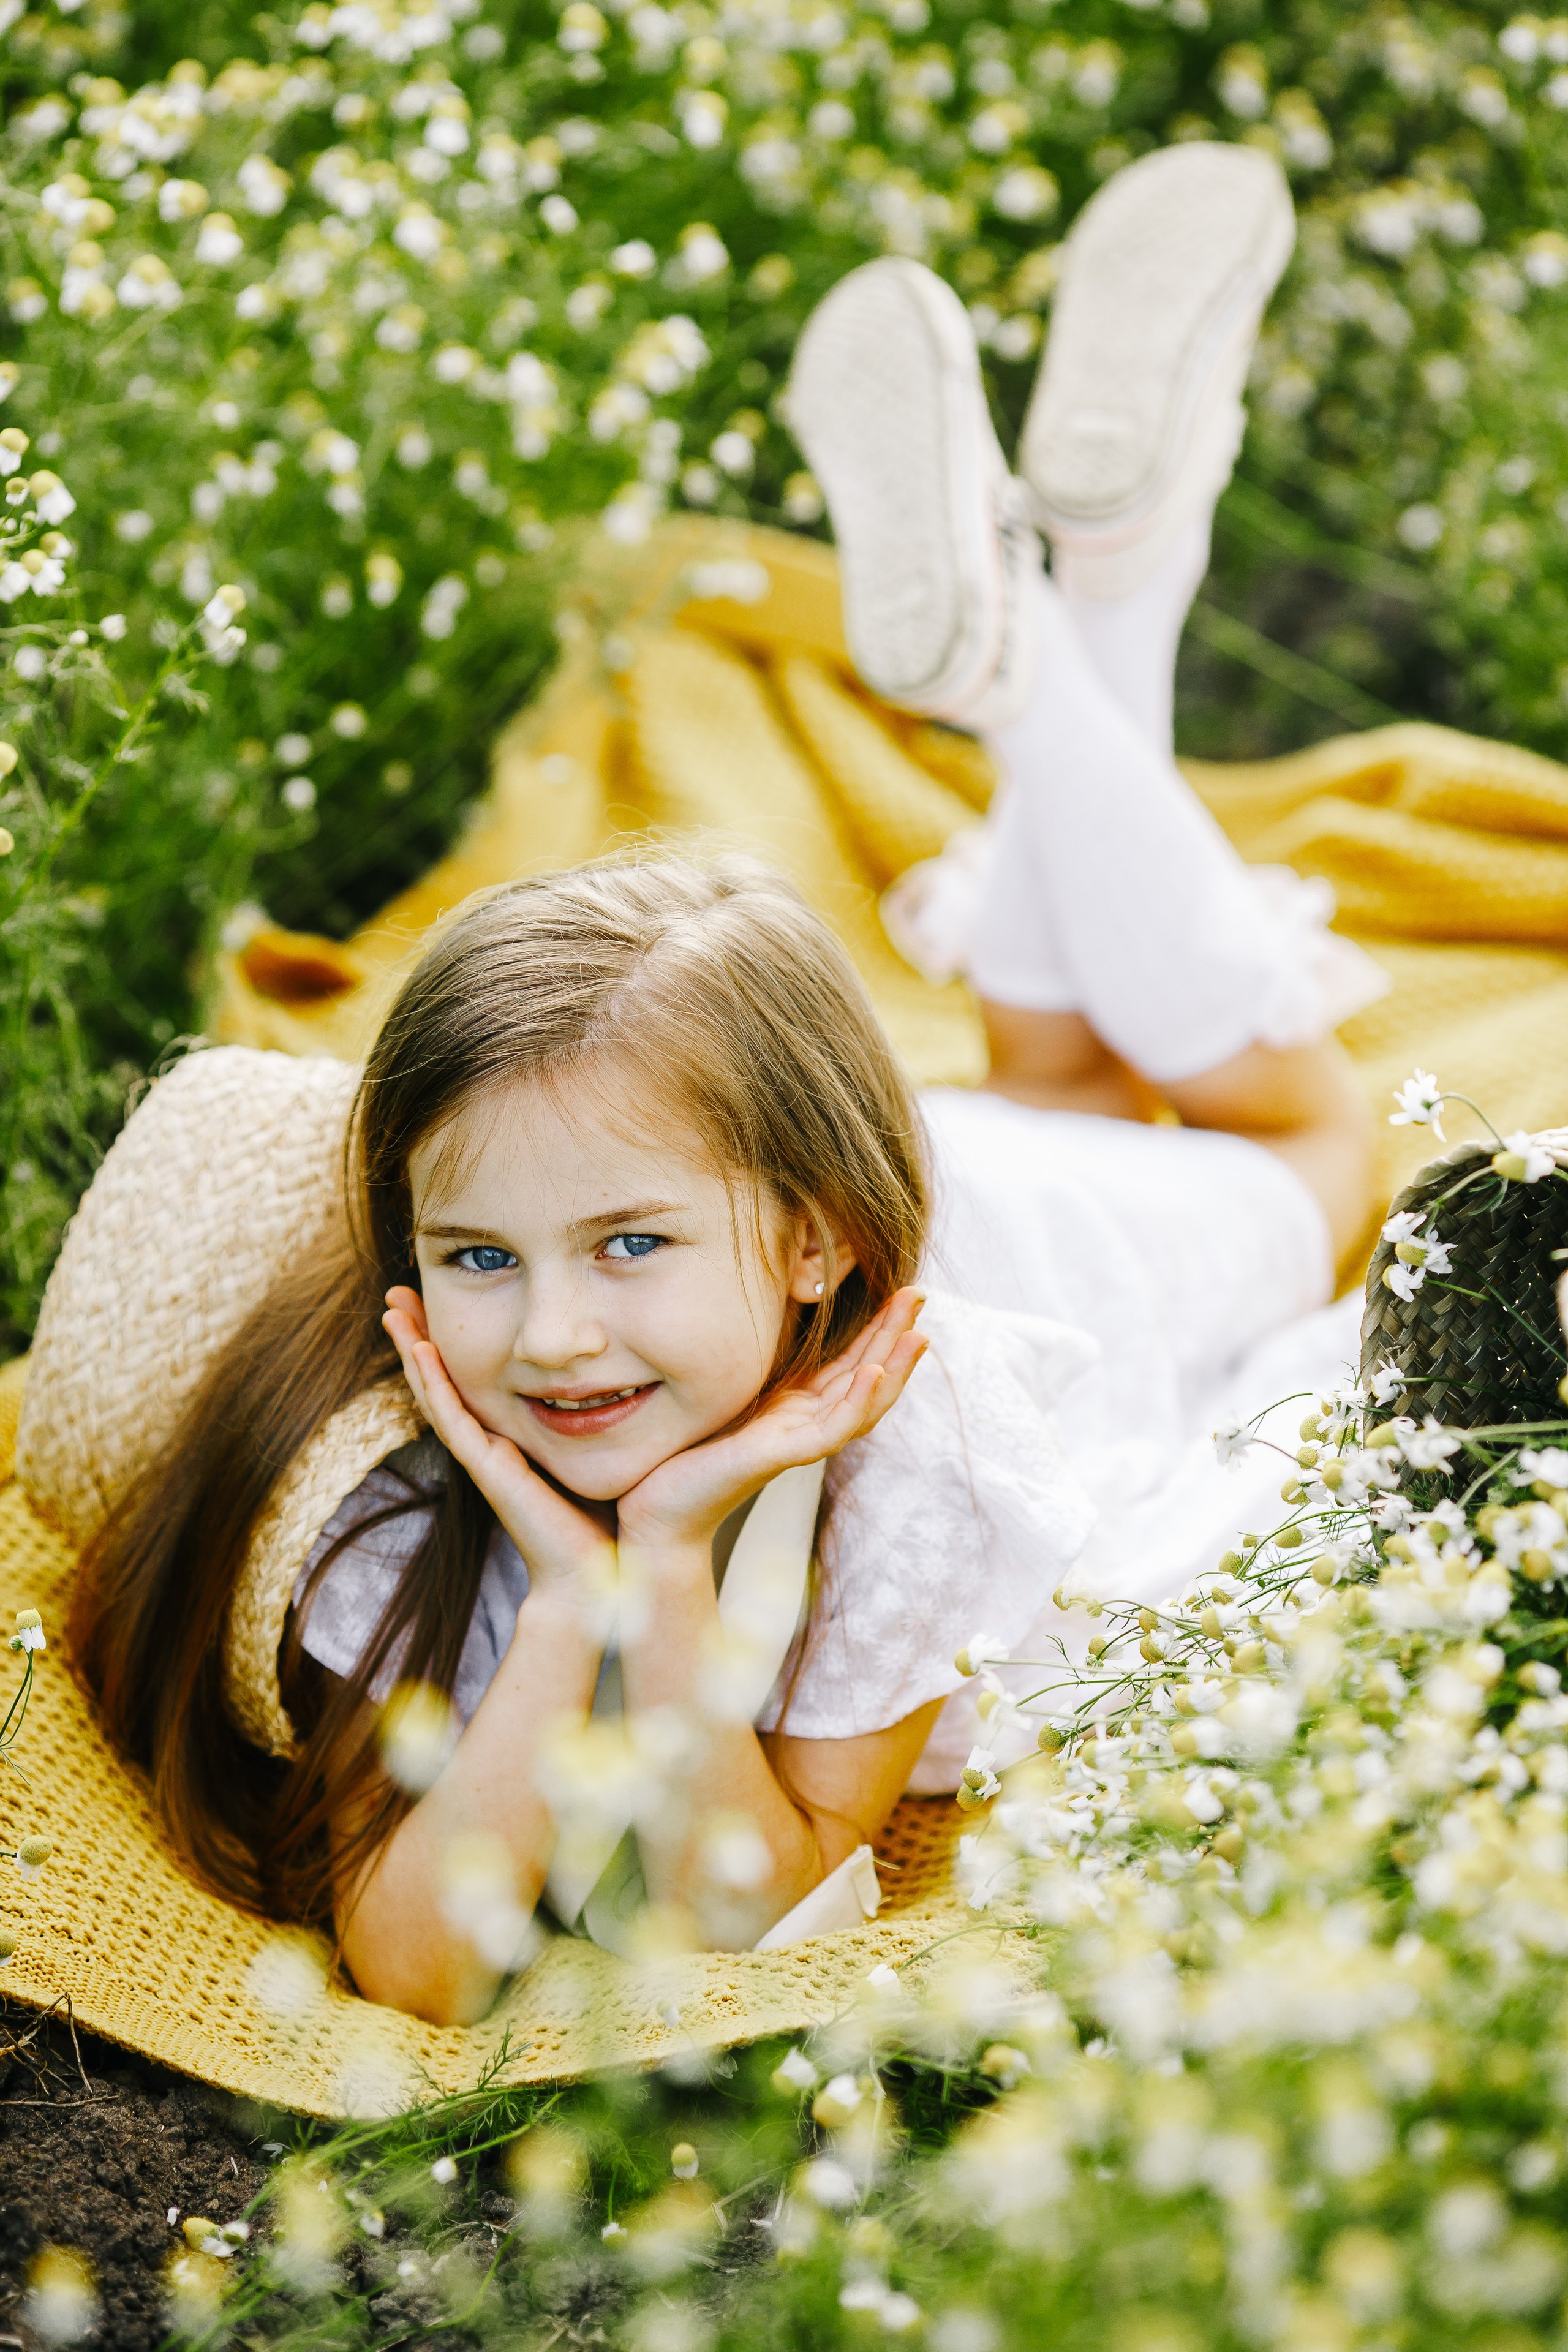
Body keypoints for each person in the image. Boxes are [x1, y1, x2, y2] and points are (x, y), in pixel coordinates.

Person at [68, 143, 1385, 2028]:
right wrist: (619, 1564)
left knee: (1315, 1150)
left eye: (620, 1244)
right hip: (866, 1207)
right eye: (482, 1257)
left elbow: (772, 1883)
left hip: (1037, 1251)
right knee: (1093, 1067)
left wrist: (667, 1536)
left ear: (813, 1248)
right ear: (407, 1259)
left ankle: (1049, 655)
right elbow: (437, 1957)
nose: (553, 1338)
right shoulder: (395, 1504)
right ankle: (1094, 602)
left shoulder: (925, 1452)